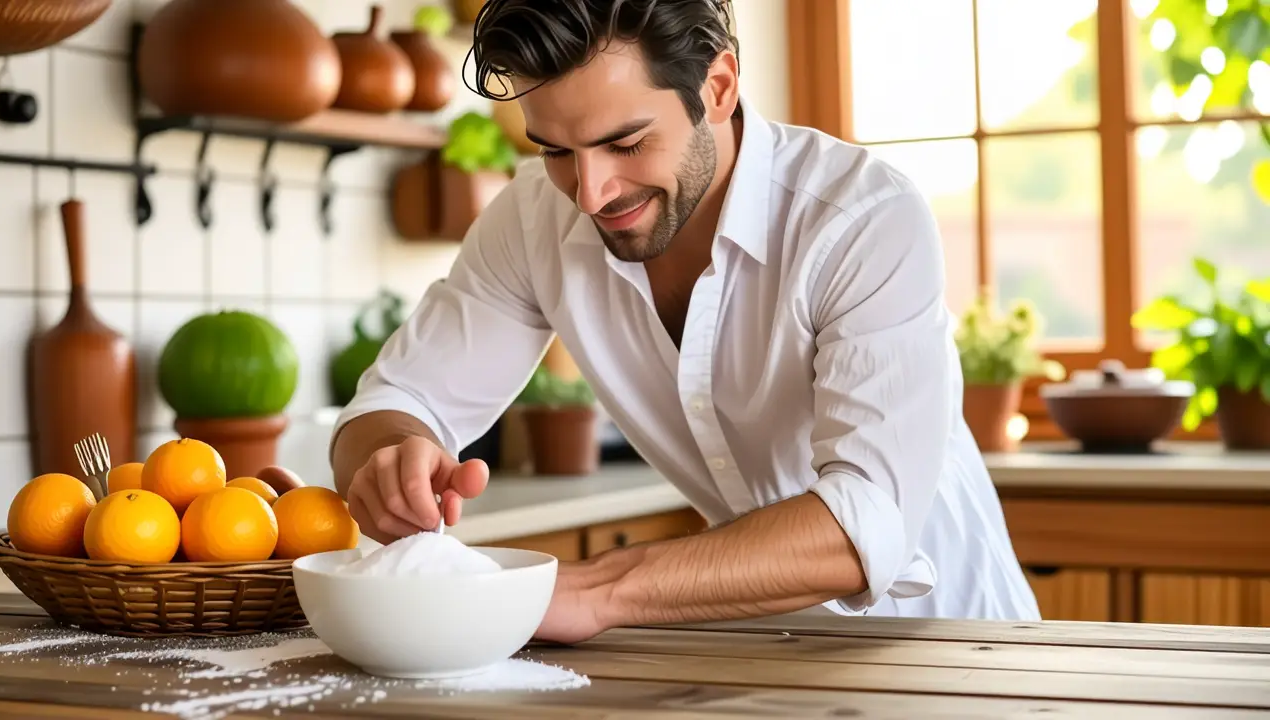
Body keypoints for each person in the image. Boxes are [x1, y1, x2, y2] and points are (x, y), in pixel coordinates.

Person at [329, 0, 1041, 643]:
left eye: (627, 143)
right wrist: (390, 460)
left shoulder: (862, 220)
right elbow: (394, 404)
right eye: (554, 151)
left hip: (955, 647)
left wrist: (593, 590)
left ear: (719, 87)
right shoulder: (530, 221)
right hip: (761, 657)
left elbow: (863, 525)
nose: (590, 193)